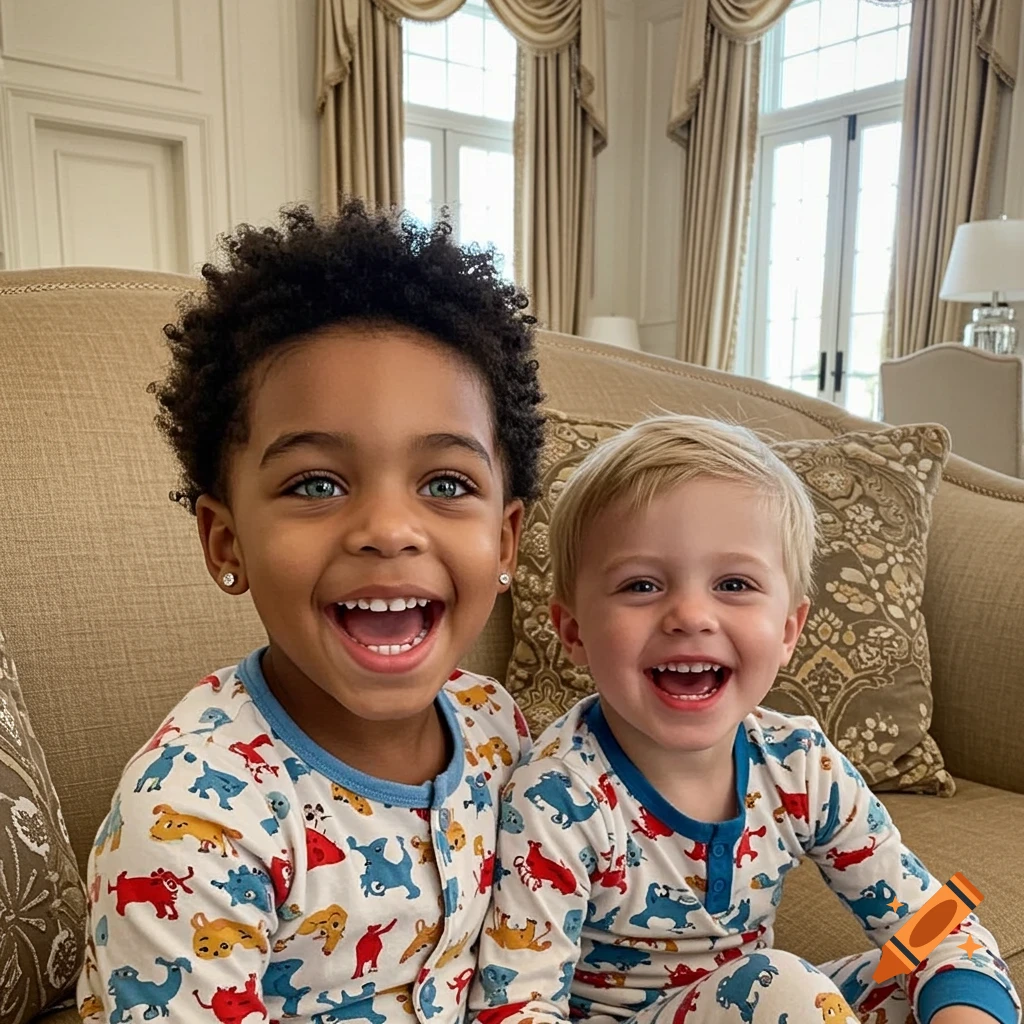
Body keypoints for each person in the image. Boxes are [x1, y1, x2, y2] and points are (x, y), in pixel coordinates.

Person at [77, 201, 545, 1023]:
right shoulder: (189, 820)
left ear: (506, 541)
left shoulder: (499, 728)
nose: (389, 529)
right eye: (316, 484)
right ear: (226, 542)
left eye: (446, 483)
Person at [469, 415, 1020, 1024]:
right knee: (779, 983)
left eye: (733, 583)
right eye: (642, 585)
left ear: (788, 630)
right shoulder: (555, 797)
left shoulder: (800, 765)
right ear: (573, 632)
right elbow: (514, 1007)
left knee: (936, 967)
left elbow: (934, 925)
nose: (690, 615)